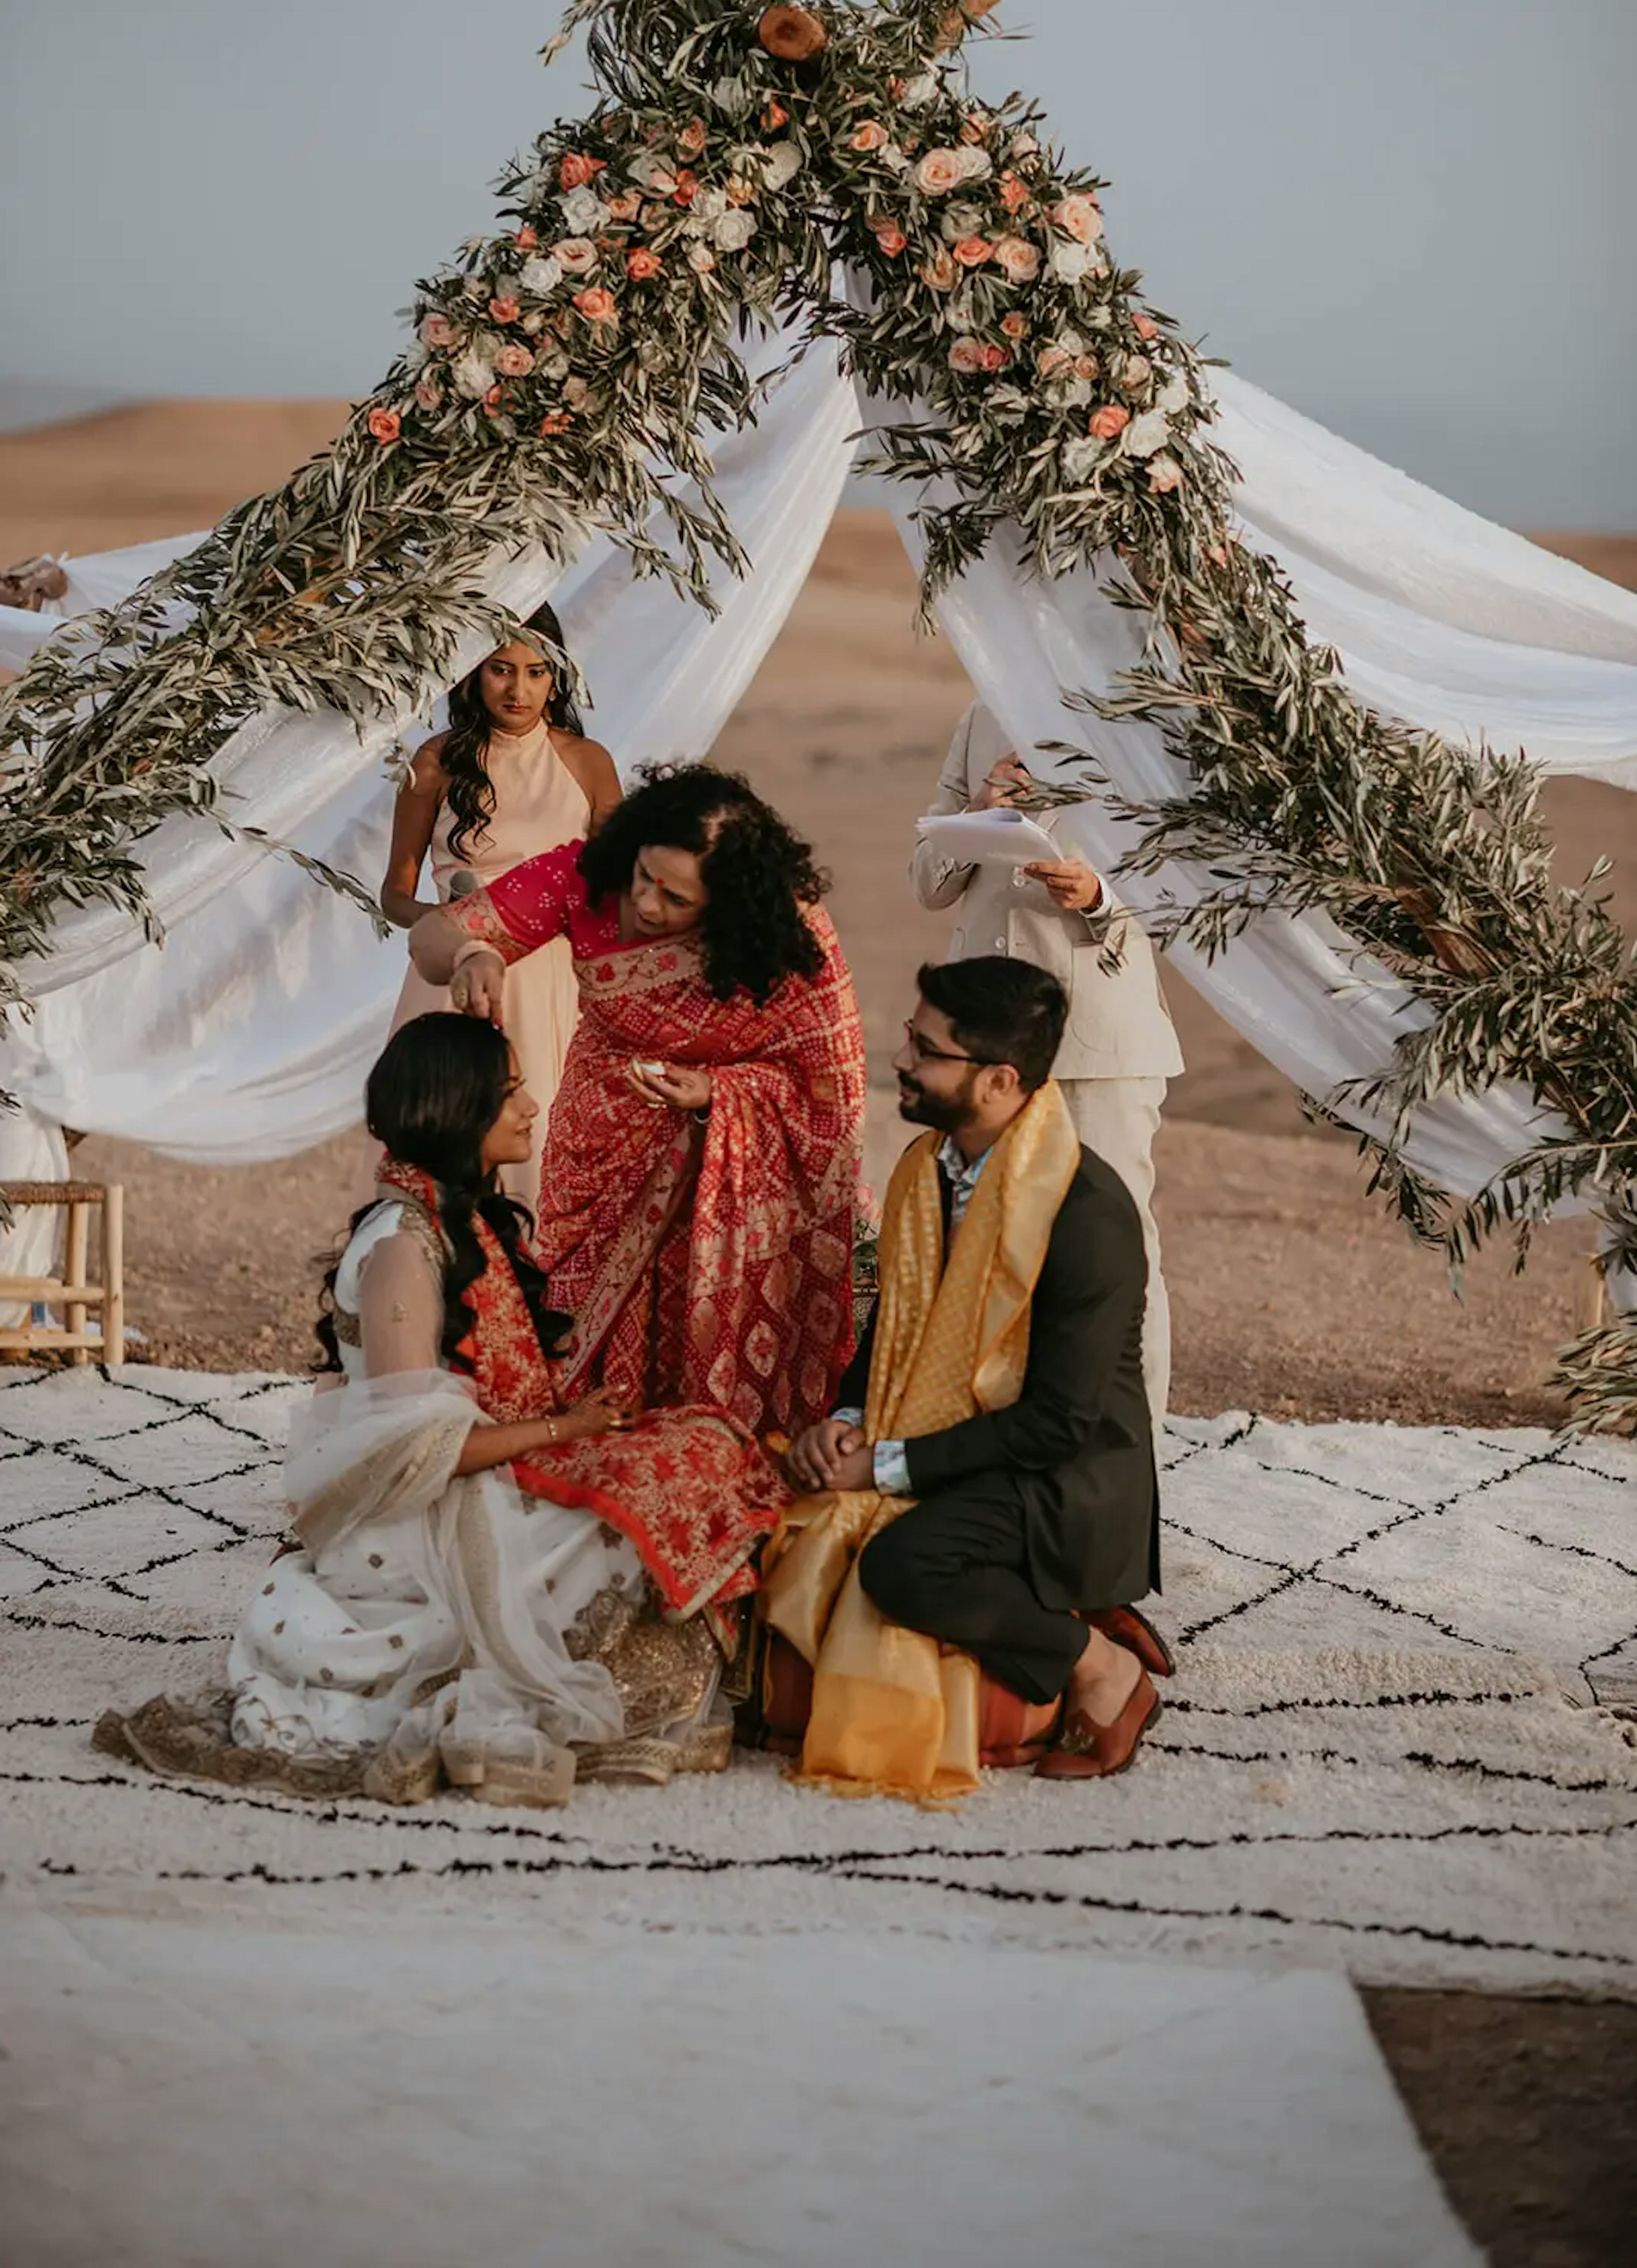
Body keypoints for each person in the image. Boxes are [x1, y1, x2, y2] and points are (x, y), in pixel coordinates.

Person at [97, 1015, 790, 1807]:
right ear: (458, 1111)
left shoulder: (454, 1218)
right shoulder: (402, 1246)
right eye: (508, 1095)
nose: (530, 1108)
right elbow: (417, 1449)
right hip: (430, 1523)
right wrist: (572, 1430)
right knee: (674, 1478)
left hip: (495, 1475)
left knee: (705, 1443)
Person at [763, 958, 1166, 1801]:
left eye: (925, 1048)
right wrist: (846, 1417)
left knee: (904, 1566)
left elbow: (1059, 1425)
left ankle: (1104, 1670)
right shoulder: (928, 1168)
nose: (901, 1058)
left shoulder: (1085, 1212)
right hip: (963, 1445)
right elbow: (895, 1328)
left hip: (1064, 1479)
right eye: (912, 1038)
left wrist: (885, 1465)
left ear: (999, 1080)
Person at [411, 763, 868, 1439]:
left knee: (698, 1329)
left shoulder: (785, 929)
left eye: (677, 900)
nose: (650, 905)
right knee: (569, 1319)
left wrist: (721, 1092)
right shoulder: (589, 876)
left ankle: (699, 1460)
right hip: (602, 1144)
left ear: (729, 903)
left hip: (727, 1162)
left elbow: (825, 1087)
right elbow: (431, 937)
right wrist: (475, 951)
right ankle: (576, 1456)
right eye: (645, 878)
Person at [912, 698, 1183, 1428]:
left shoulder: (1146, 711)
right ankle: (999, 1440)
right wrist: (979, 810)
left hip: (1099, 1035)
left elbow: (1188, 882)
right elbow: (929, 881)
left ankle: (1132, 1453)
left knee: (1117, 1249)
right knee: (985, 1242)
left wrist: (1100, 898)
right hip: (985, 1040)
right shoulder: (980, 716)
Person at [383, 600, 622, 1209]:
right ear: (472, 672)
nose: (519, 689)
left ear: (557, 678)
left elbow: (617, 889)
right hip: (450, 979)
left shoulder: (589, 764)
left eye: (536, 672)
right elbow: (395, 896)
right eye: (501, 669)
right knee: (442, 1138)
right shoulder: (435, 764)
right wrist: (458, 932)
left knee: (540, 1137)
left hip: (552, 985)